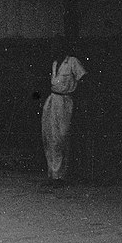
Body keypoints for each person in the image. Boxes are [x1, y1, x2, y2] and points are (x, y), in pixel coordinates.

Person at [41, 37, 87, 187]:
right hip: (53, 100)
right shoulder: (55, 64)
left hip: (66, 101)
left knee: (62, 136)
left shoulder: (72, 62)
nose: (54, 49)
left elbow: (84, 78)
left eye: (57, 46)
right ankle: (53, 175)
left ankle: (62, 175)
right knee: (49, 136)